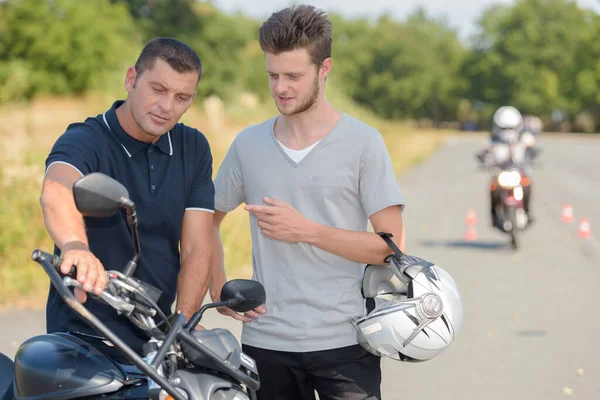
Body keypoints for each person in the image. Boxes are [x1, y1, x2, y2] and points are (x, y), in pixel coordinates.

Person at [209, 5, 406, 400]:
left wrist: (307, 231)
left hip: (346, 342)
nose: (281, 87)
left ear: (324, 68)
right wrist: (218, 289)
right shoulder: (248, 145)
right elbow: (206, 221)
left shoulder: (364, 143)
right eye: (273, 75)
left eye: (293, 76)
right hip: (266, 342)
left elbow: (391, 248)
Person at [40, 37, 215, 355]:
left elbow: (197, 247)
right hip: (83, 336)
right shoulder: (86, 138)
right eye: (158, 89)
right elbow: (56, 188)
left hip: (155, 342)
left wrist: (182, 325)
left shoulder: (194, 147)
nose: (167, 107)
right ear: (131, 79)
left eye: (181, 97)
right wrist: (75, 245)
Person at [481, 105, 533, 227]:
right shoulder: (492, 140)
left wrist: (532, 157)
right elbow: (484, 153)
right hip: (500, 172)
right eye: (504, 128)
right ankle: (494, 214)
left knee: (528, 185)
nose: (507, 132)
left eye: (510, 128)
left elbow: (531, 150)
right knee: (493, 188)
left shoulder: (524, 138)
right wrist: (484, 160)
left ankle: (527, 211)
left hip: (518, 172)